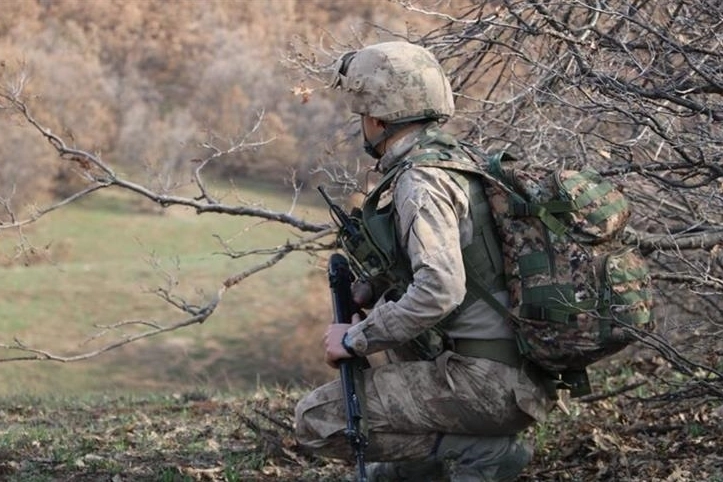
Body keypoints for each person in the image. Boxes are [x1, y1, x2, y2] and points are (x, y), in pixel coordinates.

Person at [295, 41, 553, 482]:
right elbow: (473, 264)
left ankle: (486, 452)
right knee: (392, 329)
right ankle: (415, 470)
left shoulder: (421, 182)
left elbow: (440, 291)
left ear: (378, 119)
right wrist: (374, 289)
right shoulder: (461, 160)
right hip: (518, 373)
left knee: (317, 420)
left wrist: (355, 339)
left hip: (486, 384)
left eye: (362, 116)